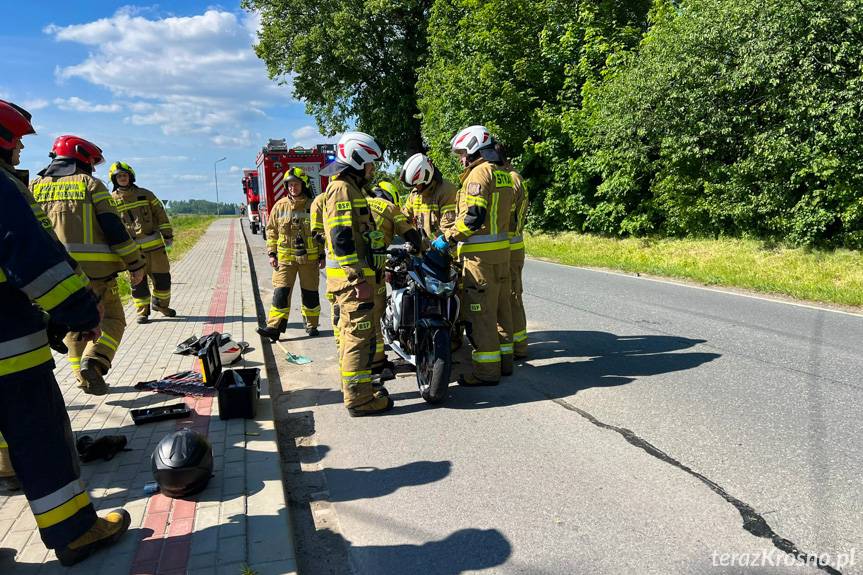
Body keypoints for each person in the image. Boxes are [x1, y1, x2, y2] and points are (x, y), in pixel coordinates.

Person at [0, 168, 132, 566]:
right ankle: (75, 533)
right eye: (17, 142)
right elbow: (31, 253)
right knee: (41, 439)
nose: (21, 152)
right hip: (9, 350)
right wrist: (76, 310)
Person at [31, 135, 146, 395]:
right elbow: (114, 228)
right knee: (113, 319)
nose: (93, 168)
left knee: (74, 327)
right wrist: (135, 263)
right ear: (82, 158)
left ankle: (82, 379)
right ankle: (93, 362)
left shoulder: (33, 186)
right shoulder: (90, 184)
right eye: (91, 163)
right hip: (95, 274)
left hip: (53, 275)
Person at [434, 125, 514, 385]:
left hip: (480, 259)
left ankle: (487, 372)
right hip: (502, 255)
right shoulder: (501, 173)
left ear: (472, 148)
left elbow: (473, 217)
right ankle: (505, 363)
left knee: (481, 315)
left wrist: (448, 237)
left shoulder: (477, 175)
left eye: (461, 153)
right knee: (502, 311)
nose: (460, 158)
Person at [321, 131, 393, 416]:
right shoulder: (342, 189)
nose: (372, 170)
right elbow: (341, 238)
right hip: (353, 283)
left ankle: (363, 392)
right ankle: (359, 400)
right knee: (356, 339)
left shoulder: (351, 189)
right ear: (358, 159)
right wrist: (357, 278)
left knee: (360, 338)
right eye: (370, 164)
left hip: (357, 280)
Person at [257, 167, 323, 341]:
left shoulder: (313, 205)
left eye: (296, 184)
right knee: (280, 293)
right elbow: (271, 231)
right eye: (290, 184)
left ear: (304, 185)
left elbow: (320, 232)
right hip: (285, 260)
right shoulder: (279, 206)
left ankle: (312, 325)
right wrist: (272, 253)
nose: (293, 187)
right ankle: (274, 327)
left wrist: (322, 255)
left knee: (310, 293)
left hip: (309, 259)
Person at [368, 180, 422, 381]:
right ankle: (376, 364)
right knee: (375, 313)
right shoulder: (388, 207)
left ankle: (366, 364)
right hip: (370, 269)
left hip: (340, 269)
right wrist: (417, 248)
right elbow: (411, 235)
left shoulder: (358, 202)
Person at [109, 161, 175, 324]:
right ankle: (142, 312)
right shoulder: (110, 200)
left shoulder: (146, 194)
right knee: (138, 283)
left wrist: (167, 234)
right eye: (119, 176)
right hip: (132, 251)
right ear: (114, 179)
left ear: (130, 176)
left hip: (155, 248)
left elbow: (160, 214)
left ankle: (160, 305)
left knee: (163, 279)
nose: (122, 178)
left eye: (124, 175)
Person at [497, 144, 529, 359]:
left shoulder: (511, 180)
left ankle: (516, 347)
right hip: (513, 245)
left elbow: (502, 213)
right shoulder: (515, 178)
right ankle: (518, 345)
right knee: (512, 296)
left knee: (510, 298)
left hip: (509, 248)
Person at [400, 152, 458, 247]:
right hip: (426, 251)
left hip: (447, 252)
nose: (414, 188)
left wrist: (423, 244)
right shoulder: (415, 194)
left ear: (425, 178)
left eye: (416, 184)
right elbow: (405, 216)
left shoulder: (446, 191)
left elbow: (448, 228)